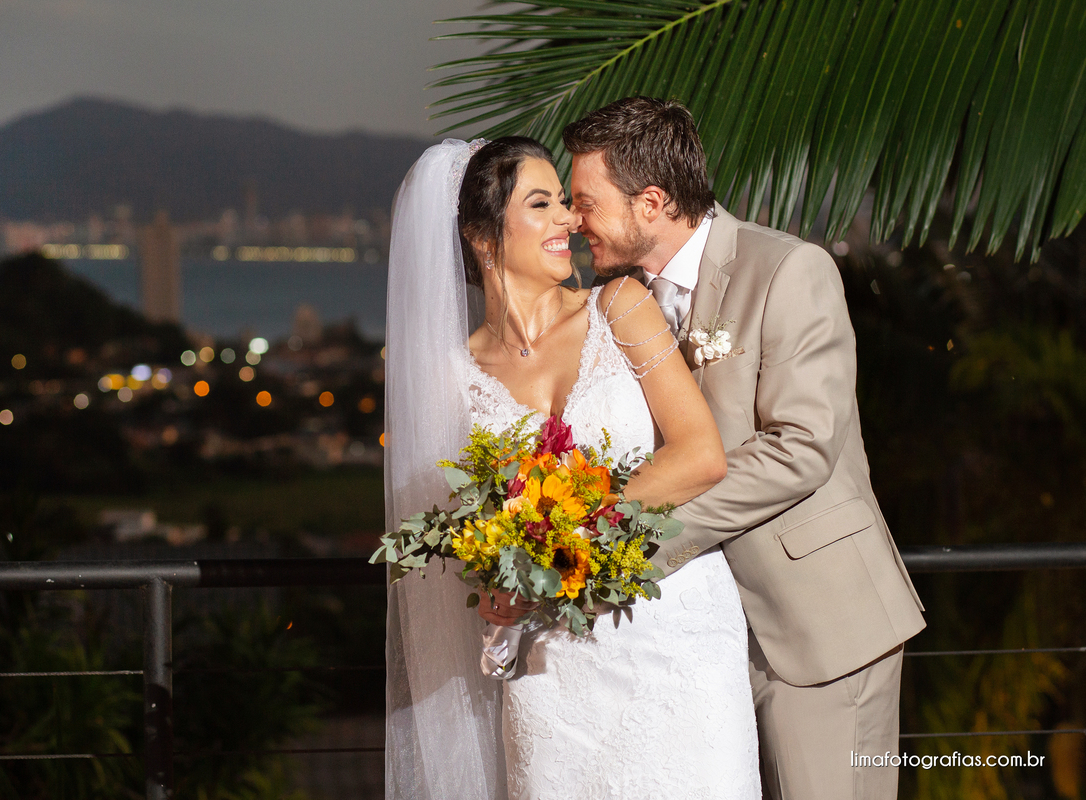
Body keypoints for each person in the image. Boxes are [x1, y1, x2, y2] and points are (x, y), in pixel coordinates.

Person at [561, 96, 927, 799]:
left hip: (818, 628)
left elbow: (802, 448)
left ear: (652, 203)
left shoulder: (789, 269)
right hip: (699, 640)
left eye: (586, 201)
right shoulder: (619, 298)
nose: (575, 221)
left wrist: (631, 535)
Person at [384, 136, 760, 800]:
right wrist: (499, 581)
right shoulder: (450, 377)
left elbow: (700, 456)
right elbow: (465, 532)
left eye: (565, 202)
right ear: (481, 237)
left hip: (676, 634)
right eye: (543, 204)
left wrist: (559, 527)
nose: (569, 220)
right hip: (551, 663)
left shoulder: (619, 308)